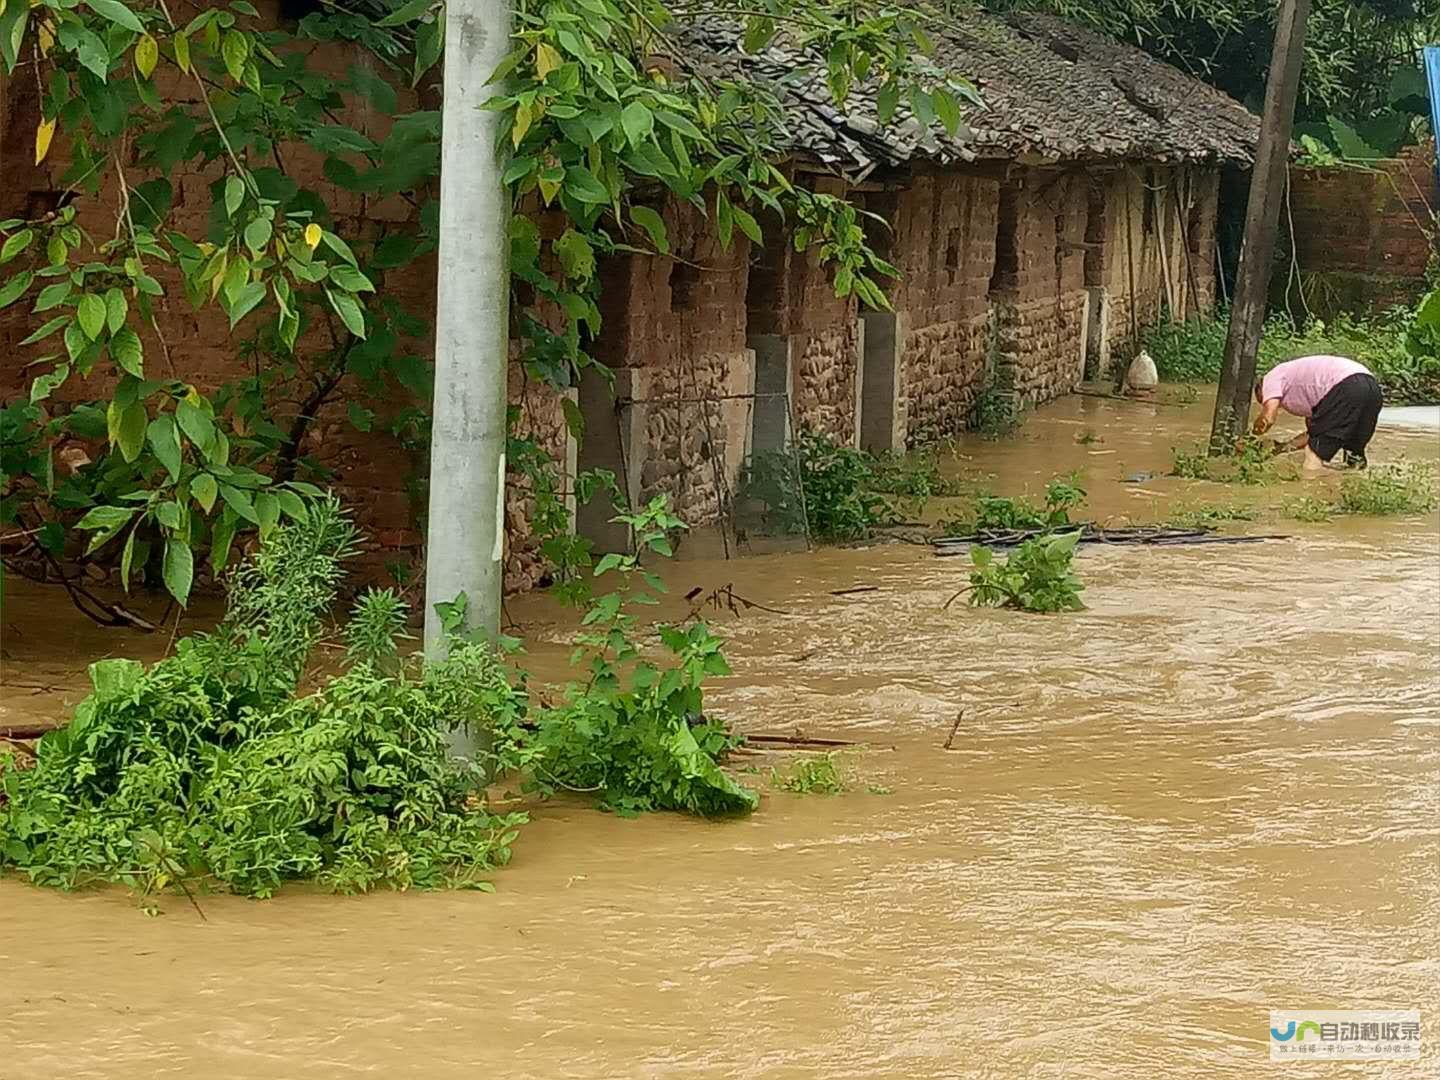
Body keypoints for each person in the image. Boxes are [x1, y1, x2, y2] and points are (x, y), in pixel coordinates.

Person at [1252, 354, 1383, 470]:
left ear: (1260, 389)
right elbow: (1313, 435)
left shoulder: (1271, 378)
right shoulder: (1309, 392)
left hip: (1346, 385)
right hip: (1372, 387)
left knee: (1313, 454)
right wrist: (1282, 448)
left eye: (1263, 400)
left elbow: (1268, 418)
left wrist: (1249, 440)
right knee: (1353, 454)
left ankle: (1309, 489)